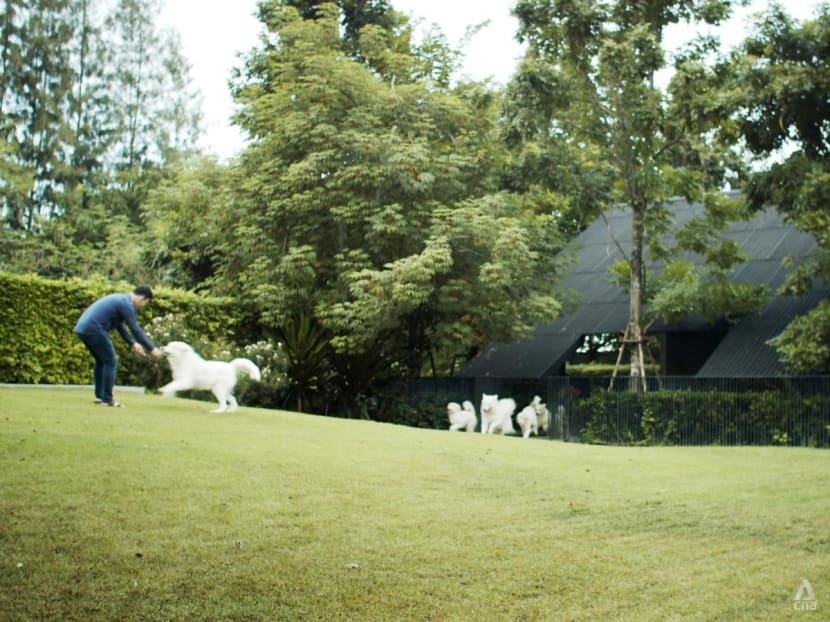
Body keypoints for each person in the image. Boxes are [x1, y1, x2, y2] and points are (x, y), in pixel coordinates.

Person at [74, 286, 163, 407]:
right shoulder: (126, 304)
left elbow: (120, 326)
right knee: (111, 361)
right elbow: (134, 328)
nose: (143, 306)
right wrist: (151, 348)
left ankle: (100, 397)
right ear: (141, 298)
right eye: (145, 302)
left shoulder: (121, 300)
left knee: (101, 361)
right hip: (94, 329)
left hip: (82, 328)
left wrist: (133, 343)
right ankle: (107, 399)